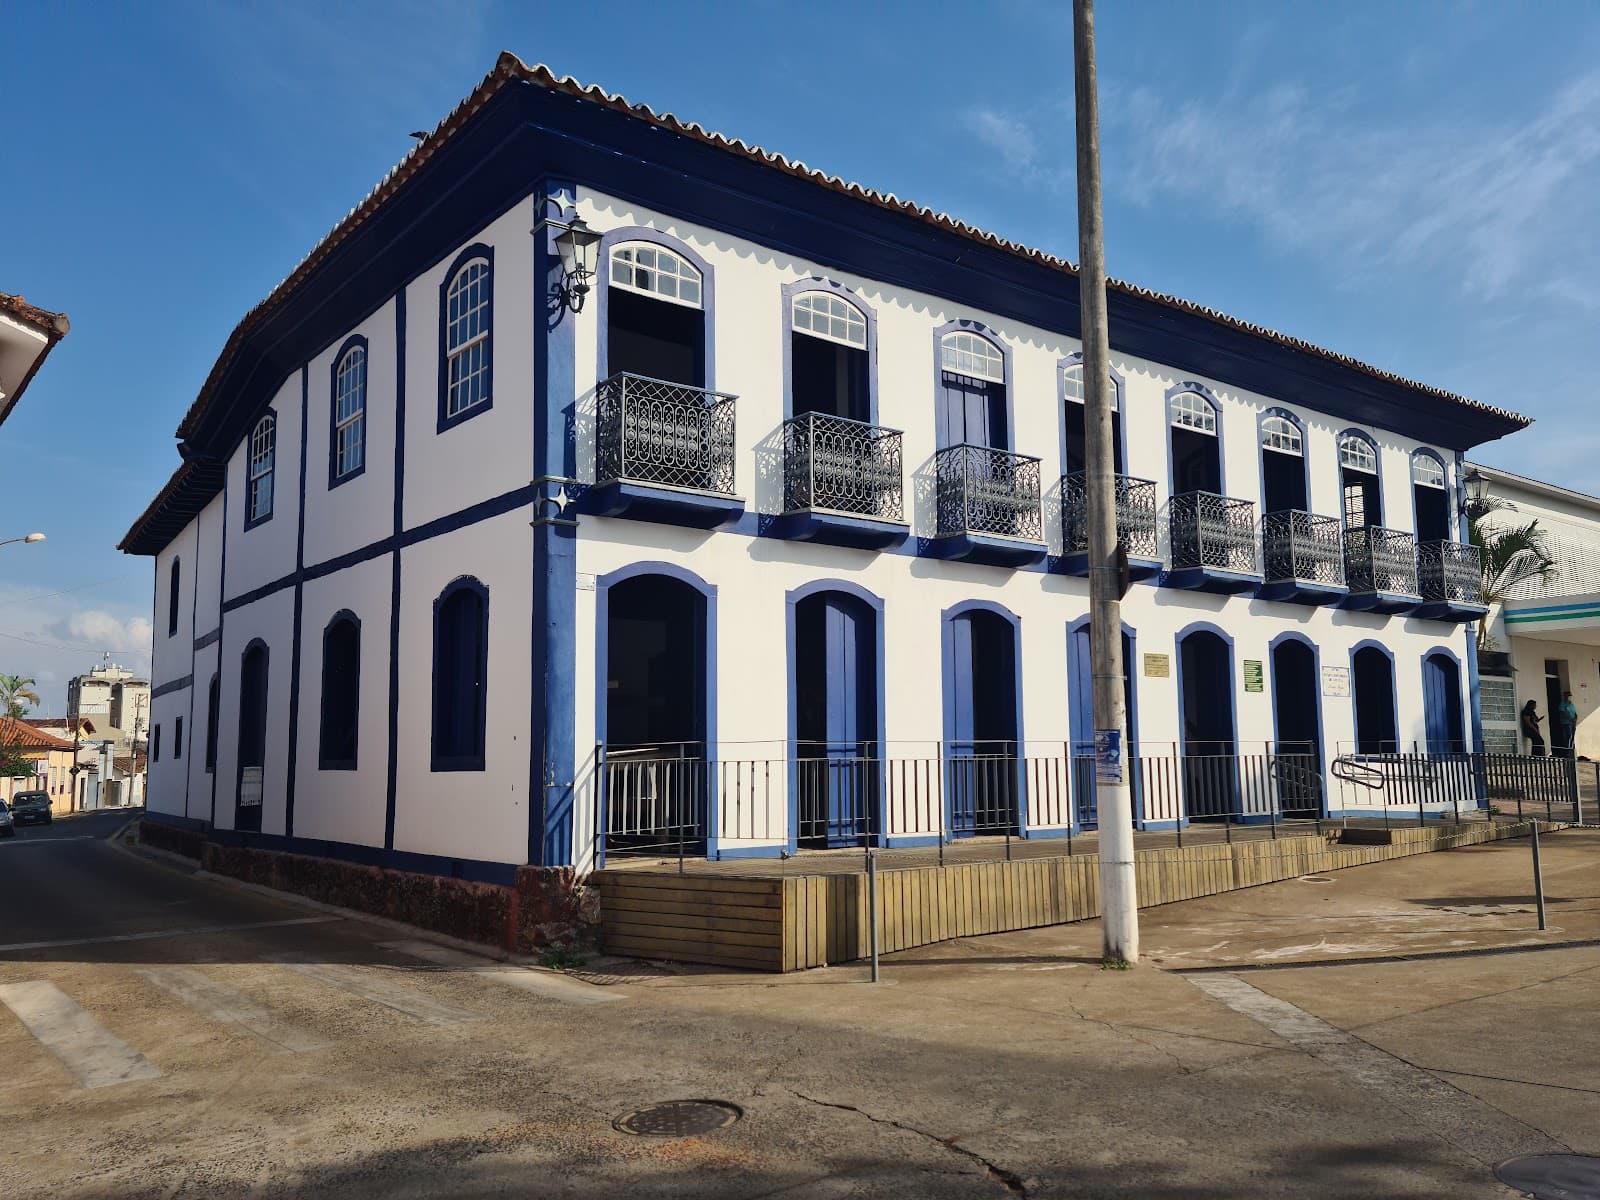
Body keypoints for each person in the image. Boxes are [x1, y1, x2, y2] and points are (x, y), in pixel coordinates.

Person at [1556, 691, 1578, 758]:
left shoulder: (1571, 704)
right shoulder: (1562, 704)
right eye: (1568, 696)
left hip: (1573, 723)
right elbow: (1563, 713)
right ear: (1565, 696)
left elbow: (1574, 712)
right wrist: (1571, 720)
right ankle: (1567, 752)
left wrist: (1575, 719)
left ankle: (1571, 751)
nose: (1569, 697)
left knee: (1572, 737)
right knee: (1568, 737)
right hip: (1566, 723)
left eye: (1570, 696)